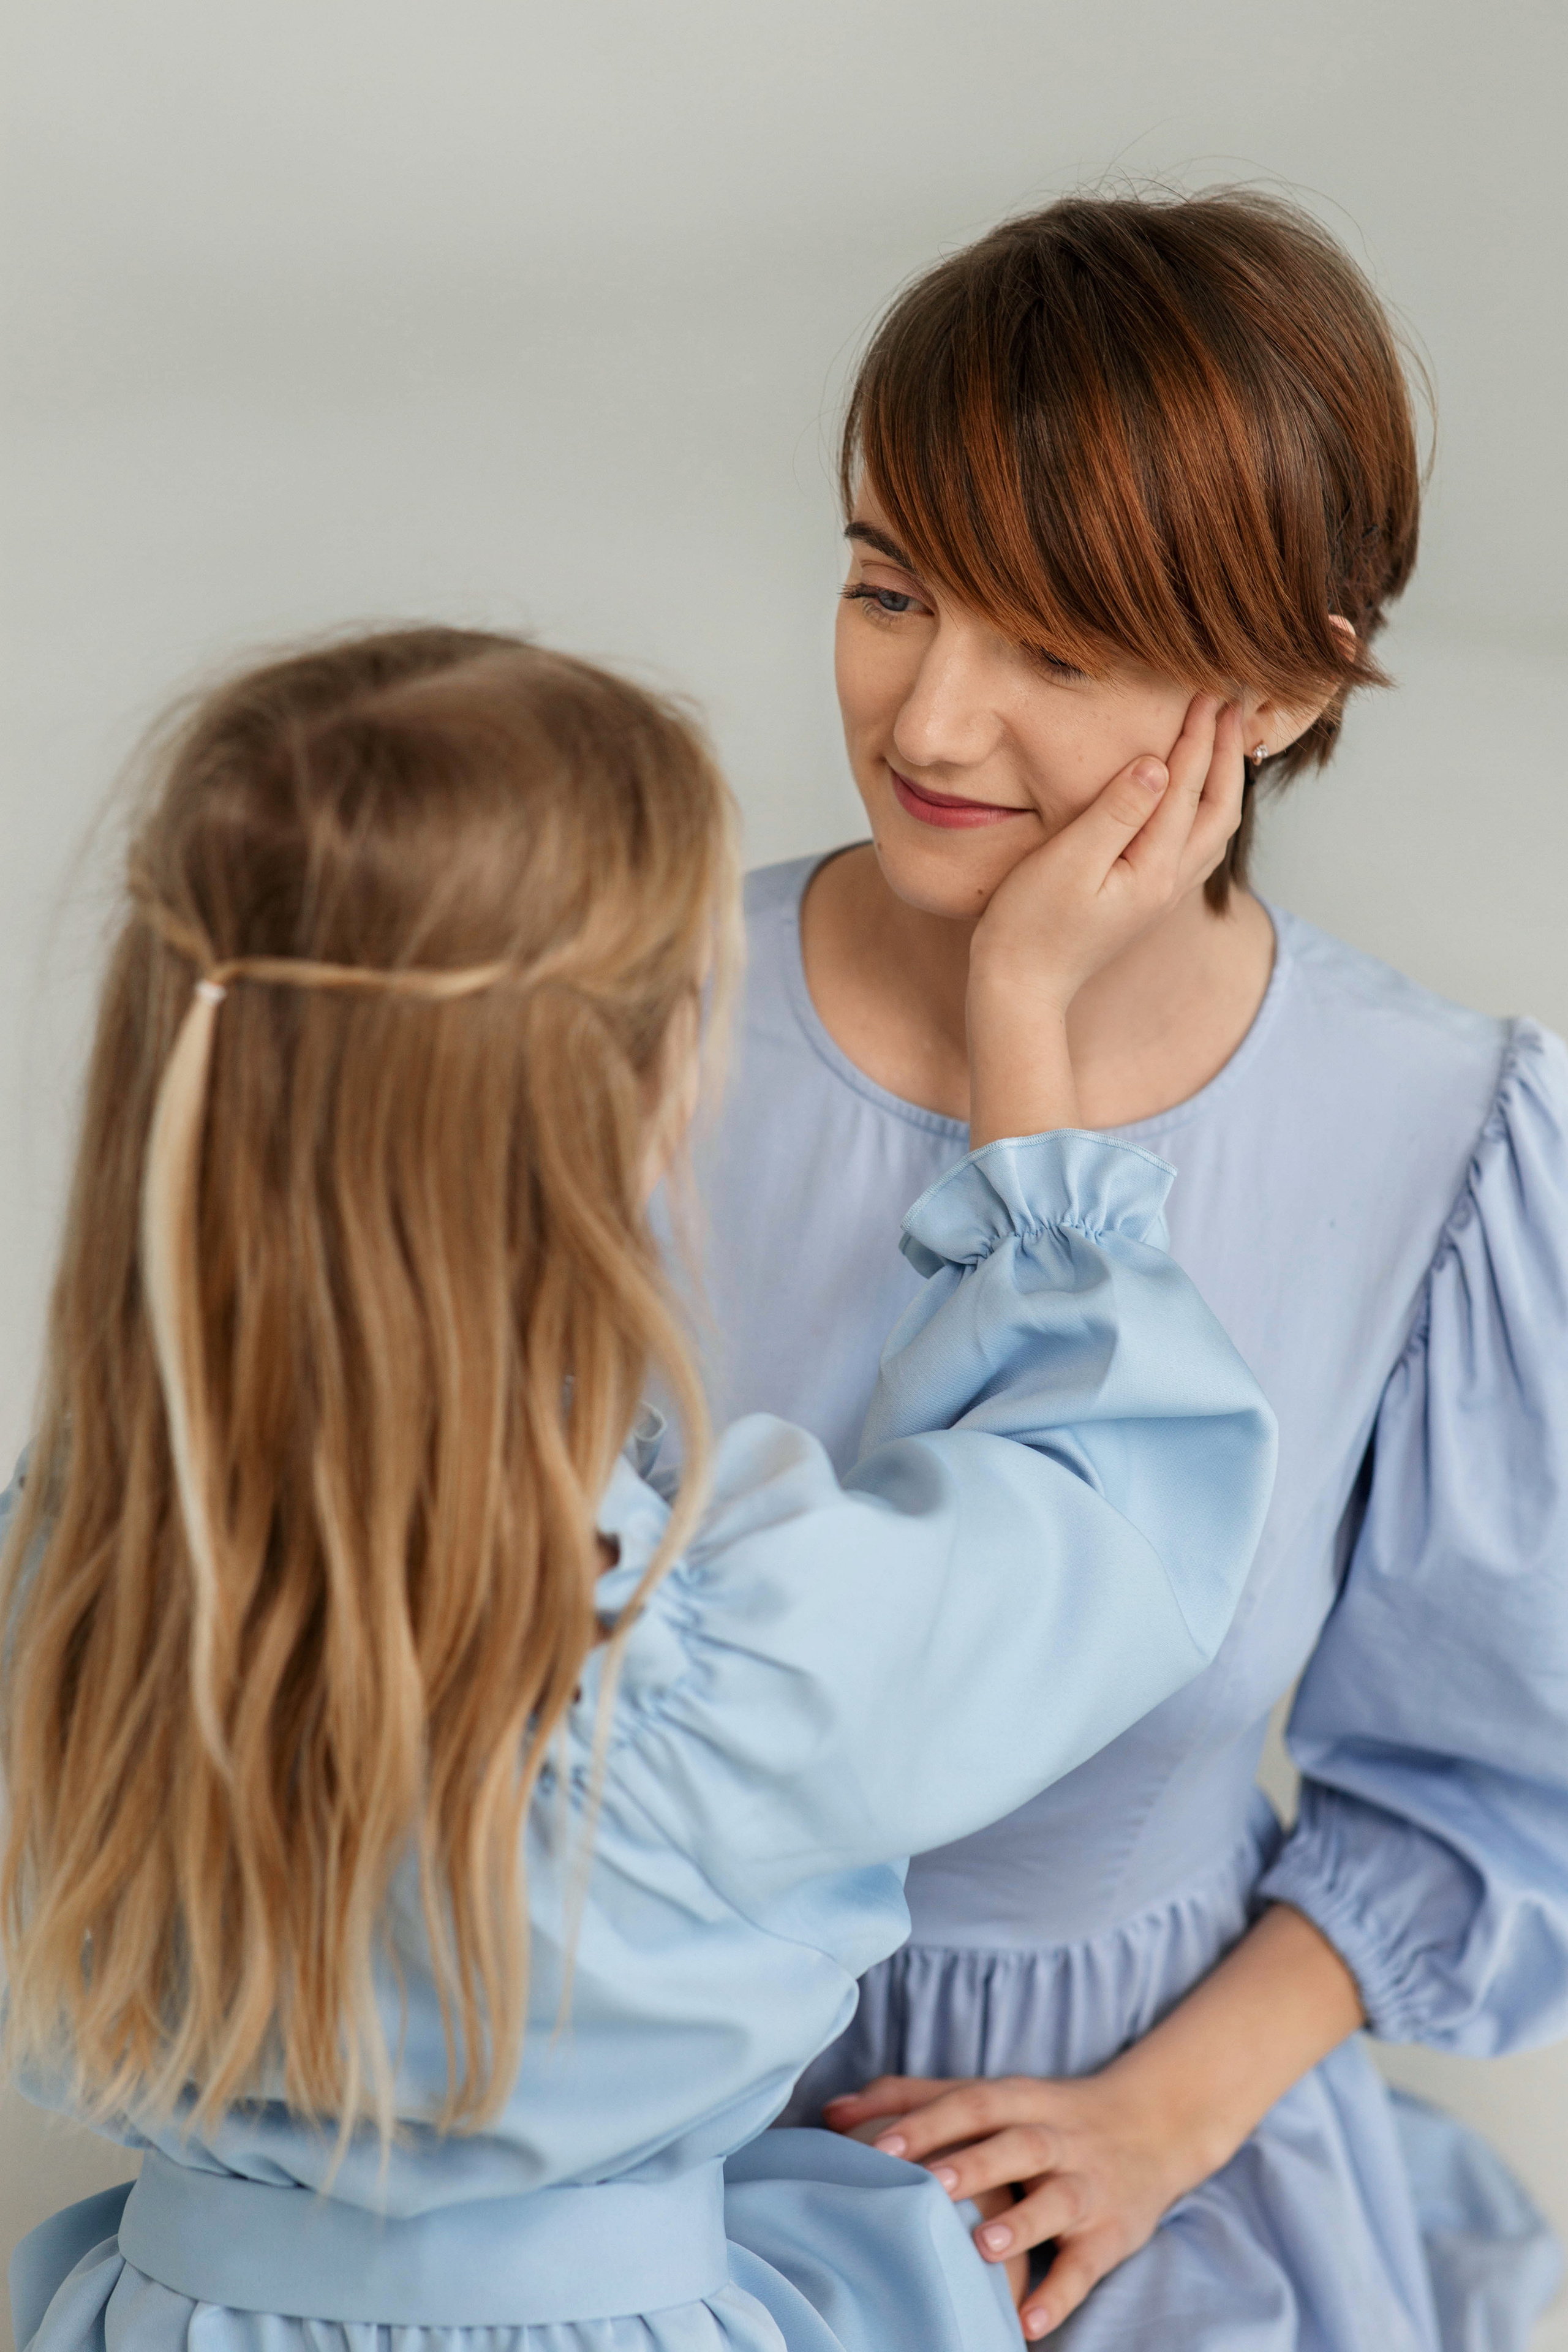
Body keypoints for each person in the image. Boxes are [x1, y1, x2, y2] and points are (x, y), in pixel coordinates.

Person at [2, 626, 1275, 2352]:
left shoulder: (70, 1587)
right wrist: (1025, 1039)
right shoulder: (701, 1661)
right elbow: (1110, 1509)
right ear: (621, 1099)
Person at [691, 190, 1568, 2346]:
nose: (934, 722)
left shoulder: (1435, 1136)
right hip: (623, 2134)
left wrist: (1156, 2125)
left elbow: (1481, 1791)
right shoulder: (614, 1013)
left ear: (1275, 689)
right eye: (889, 590)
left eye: (1056, 653)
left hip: (1135, 2168)